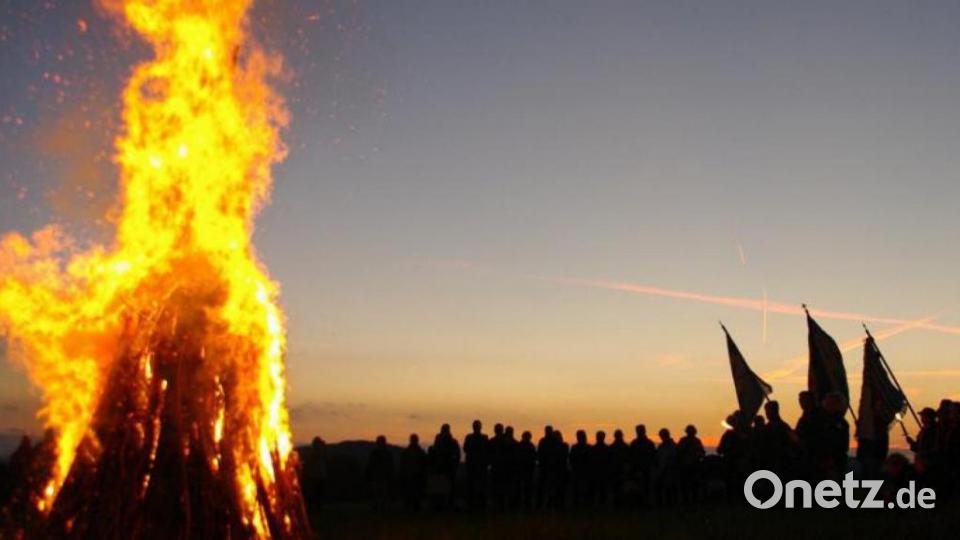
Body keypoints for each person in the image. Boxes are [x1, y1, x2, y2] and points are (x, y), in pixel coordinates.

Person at [795, 391, 826, 481]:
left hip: (815, 458)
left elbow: (818, 437)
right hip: (805, 458)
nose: (801, 402)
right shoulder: (804, 417)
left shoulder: (818, 416)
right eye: (800, 400)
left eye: (803, 400)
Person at [907, 407, 940, 490]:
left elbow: (936, 448)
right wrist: (912, 443)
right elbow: (917, 448)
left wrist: (923, 454)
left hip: (929, 465)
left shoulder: (935, 430)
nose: (921, 418)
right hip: (921, 464)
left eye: (923, 416)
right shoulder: (923, 431)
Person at [717, 413, 747, 501]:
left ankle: (734, 499)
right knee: (737, 481)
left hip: (734, 460)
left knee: (734, 481)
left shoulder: (729, 434)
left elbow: (720, 449)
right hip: (735, 460)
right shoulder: (739, 433)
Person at [821, 393, 850, 481]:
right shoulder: (824, 421)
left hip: (836, 460)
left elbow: (840, 443)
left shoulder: (840, 422)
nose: (829, 406)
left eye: (832, 403)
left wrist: (832, 457)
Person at [431, 424, 461, 508]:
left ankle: (447, 504)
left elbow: (457, 455)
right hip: (441, 468)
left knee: (448, 487)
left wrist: (454, 465)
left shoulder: (452, 442)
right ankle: (440, 504)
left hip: (448, 468)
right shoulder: (441, 441)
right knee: (440, 487)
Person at [463, 419, 489, 509]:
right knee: (471, 486)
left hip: (480, 466)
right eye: (475, 426)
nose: (476, 428)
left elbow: (487, 451)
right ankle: (471, 504)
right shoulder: (470, 437)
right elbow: (465, 449)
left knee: (481, 486)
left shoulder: (484, 438)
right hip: (473, 465)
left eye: (477, 426)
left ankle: (481, 504)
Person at [676, 425, 705, 503]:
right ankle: (687, 501)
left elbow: (702, 453)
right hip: (686, 466)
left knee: (693, 485)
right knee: (685, 485)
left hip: (693, 466)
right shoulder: (685, 441)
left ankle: (692, 500)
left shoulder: (696, 441)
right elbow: (678, 452)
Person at [399, 434, 428, 511]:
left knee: (414, 493)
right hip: (411, 475)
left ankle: (412, 507)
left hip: (415, 475)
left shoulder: (408, 452)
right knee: (411, 493)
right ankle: (411, 507)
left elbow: (424, 464)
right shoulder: (419, 452)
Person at [366, 435, 394, 512]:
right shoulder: (377, 454)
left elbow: (390, 467)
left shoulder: (384, 454)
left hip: (383, 478)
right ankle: (378, 509)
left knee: (382, 496)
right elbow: (370, 466)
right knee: (377, 496)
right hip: (377, 478)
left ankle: (380, 509)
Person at [630, 424, 656, 506]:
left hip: (646, 469)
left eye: (640, 430)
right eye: (638, 431)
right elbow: (631, 457)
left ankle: (645, 504)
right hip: (637, 469)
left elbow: (653, 457)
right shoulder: (635, 443)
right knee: (637, 489)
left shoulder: (649, 444)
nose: (639, 432)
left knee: (646, 488)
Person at [302, 436, 328, 513]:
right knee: (315, 495)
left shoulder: (319, 454)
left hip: (318, 477)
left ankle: (317, 509)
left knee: (318, 495)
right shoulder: (315, 455)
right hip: (315, 477)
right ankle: (315, 509)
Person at [654, 428, 678, 506]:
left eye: (663, 435)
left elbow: (673, 459)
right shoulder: (661, 447)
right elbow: (657, 459)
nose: (662, 437)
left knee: (670, 490)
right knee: (663, 490)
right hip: (662, 472)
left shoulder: (673, 446)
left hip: (670, 472)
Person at [569, 430, 592, 507]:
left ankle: (584, 504)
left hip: (584, 472)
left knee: (586, 489)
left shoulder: (577, 448)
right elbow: (571, 459)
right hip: (579, 471)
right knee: (577, 490)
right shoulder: (586, 448)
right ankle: (578, 504)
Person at [536, 425, 555, 508]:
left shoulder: (544, 441)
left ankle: (548, 503)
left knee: (549, 487)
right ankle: (542, 503)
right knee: (543, 487)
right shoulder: (543, 441)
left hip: (549, 467)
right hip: (545, 467)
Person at [589, 430, 611, 506]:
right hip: (600, 472)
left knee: (599, 490)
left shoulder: (592, 449)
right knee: (601, 490)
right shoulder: (607, 449)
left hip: (598, 472)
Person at [609, 429, 630, 506]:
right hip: (616, 472)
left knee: (620, 489)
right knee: (617, 490)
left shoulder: (613, 447)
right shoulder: (625, 447)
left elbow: (628, 460)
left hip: (621, 472)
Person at [517, 430, 537, 509]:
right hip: (524, 469)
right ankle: (525, 503)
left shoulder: (524, 445)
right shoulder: (528, 446)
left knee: (527, 488)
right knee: (524, 488)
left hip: (527, 470)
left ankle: (526, 503)